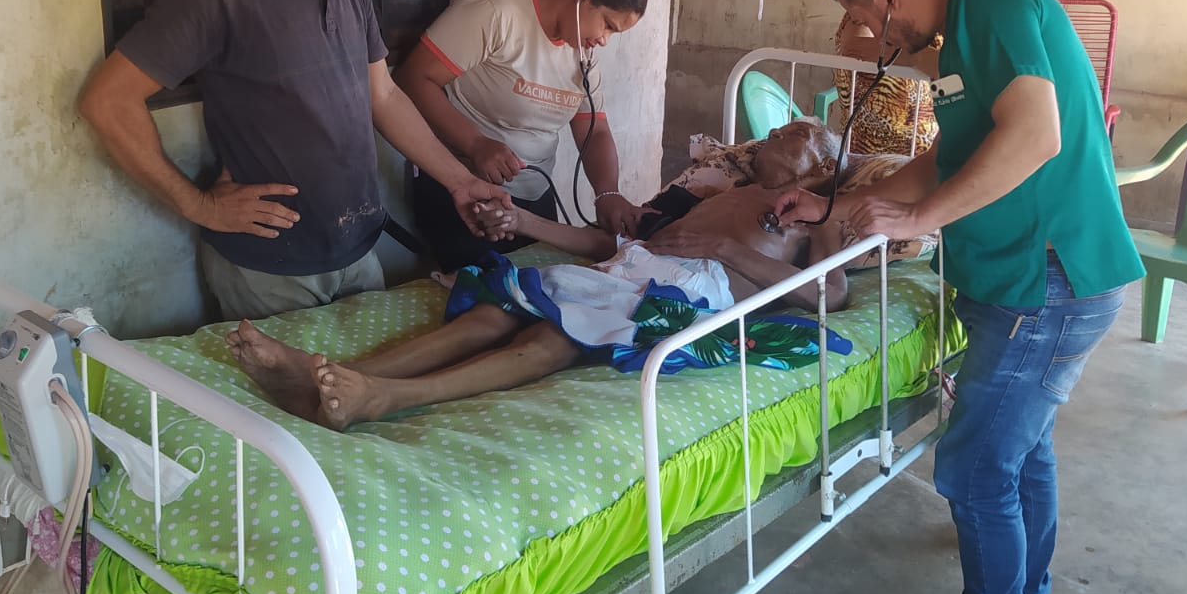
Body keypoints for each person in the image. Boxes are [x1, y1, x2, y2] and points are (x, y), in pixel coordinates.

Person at [772, 0, 1143, 594]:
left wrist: (920, 222)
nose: (877, 38)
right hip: (1032, 281)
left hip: (1045, 281)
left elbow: (1035, 138)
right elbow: (948, 157)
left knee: (976, 470)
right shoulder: (964, 43)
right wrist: (837, 203)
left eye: (870, 23)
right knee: (1020, 461)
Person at [78, 0, 513, 322]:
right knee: (289, 405)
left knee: (374, 398)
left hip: (358, 250)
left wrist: (461, 181)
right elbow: (107, 101)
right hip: (270, 272)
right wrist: (197, 205)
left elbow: (383, 95)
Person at [224, 118, 857, 430]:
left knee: (552, 339)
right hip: (631, 268)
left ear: (821, 164)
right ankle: (329, 373)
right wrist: (523, 224)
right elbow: (607, 241)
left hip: (689, 297)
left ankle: (385, 397)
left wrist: (729, 250)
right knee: (494, 311)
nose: (775, 135)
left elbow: (832, 293)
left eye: (794, 135)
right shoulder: (720, 193)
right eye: (775, 130)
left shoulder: (818, 215)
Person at [395, 0, 649, 269]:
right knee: (485, 297)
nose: (604, 40)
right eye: (608, 25)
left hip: (535, 198)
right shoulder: (495, 13)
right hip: (465, 192)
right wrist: (474, 143)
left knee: (537, 290)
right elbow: (413, 79)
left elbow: (594, 129)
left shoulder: (580, 52)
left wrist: (608, 193)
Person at [831, 11, 938, 156]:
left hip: (927, 151)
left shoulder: (940, 25)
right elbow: (855, 50)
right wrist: (919, 59)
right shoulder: (866, 13)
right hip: (867, 155)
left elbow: (954, 82)